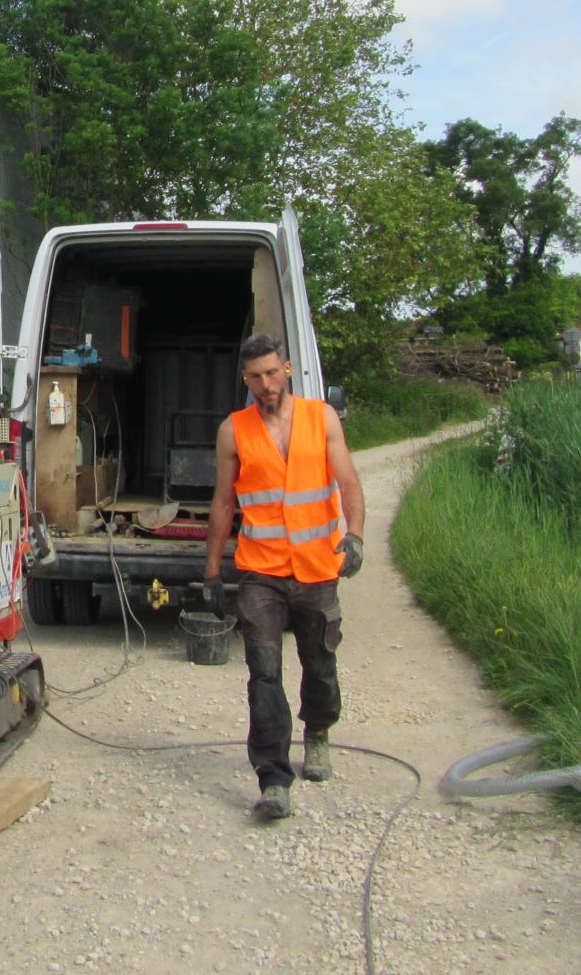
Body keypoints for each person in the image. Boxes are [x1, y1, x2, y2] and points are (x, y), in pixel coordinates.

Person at [202, 332, 365, 820]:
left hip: (317, 567)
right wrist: (212, 571)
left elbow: (349, 482)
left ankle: (317, 730)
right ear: (245, 379)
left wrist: (354, 535)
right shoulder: (235, 429)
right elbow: (224, 502)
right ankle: (273, 778)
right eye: (255, 377)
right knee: (263, 672)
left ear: (288, 370)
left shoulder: (322, 418)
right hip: (261, 571)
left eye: (272, 373)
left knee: (319, 662)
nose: (265, 384)